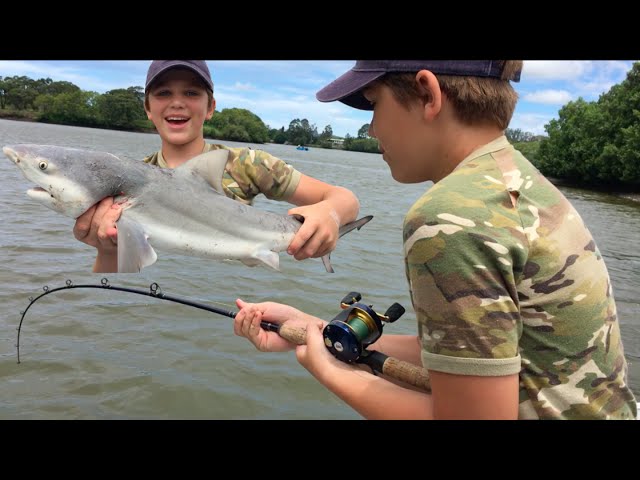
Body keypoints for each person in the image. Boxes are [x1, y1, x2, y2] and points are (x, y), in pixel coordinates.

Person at [233, 60, 638, 420]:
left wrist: (328, 368)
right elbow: (476, 357)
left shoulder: (451, 217)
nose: (371, 128)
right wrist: (319, 332)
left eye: (375, 104)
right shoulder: (518, 180)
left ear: (428, 94)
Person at [73, 60, 360, 273]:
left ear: (210, 107)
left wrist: (330, 216)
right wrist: (105, 247)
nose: (176, 103)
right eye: (162, 93)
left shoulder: (249, 164)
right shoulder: (131, 182)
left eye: (191, 93)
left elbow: (345, 200)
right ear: (147, 108)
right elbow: (113, 294)